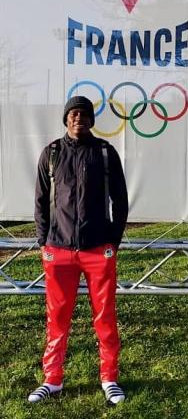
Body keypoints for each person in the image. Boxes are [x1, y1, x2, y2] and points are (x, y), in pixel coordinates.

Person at [29, 95, 128, 405]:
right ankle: (53, 380)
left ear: (91, 120)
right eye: (73, 114)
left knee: (105, 318)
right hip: (57, 251)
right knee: (57, 317)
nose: (78, 118)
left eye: (84, 114)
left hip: (99, 250)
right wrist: (43, 240)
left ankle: (109, 378)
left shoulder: (105, 153)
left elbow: (120, 201)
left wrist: (113, 240)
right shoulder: (52, 153)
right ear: (66, 119)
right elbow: (41, 202)